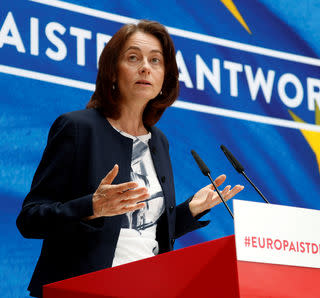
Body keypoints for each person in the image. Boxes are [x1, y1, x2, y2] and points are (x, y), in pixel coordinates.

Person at [16, 20, 244, 297]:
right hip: (84, 288)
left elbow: (147, 234)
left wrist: (190, 210)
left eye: (156, 60)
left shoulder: (159, 141)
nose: (145, 67)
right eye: (133, 57)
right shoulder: (78, 128)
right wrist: (92, 206)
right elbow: (30, 219)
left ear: (165, 79)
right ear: (112, 72)